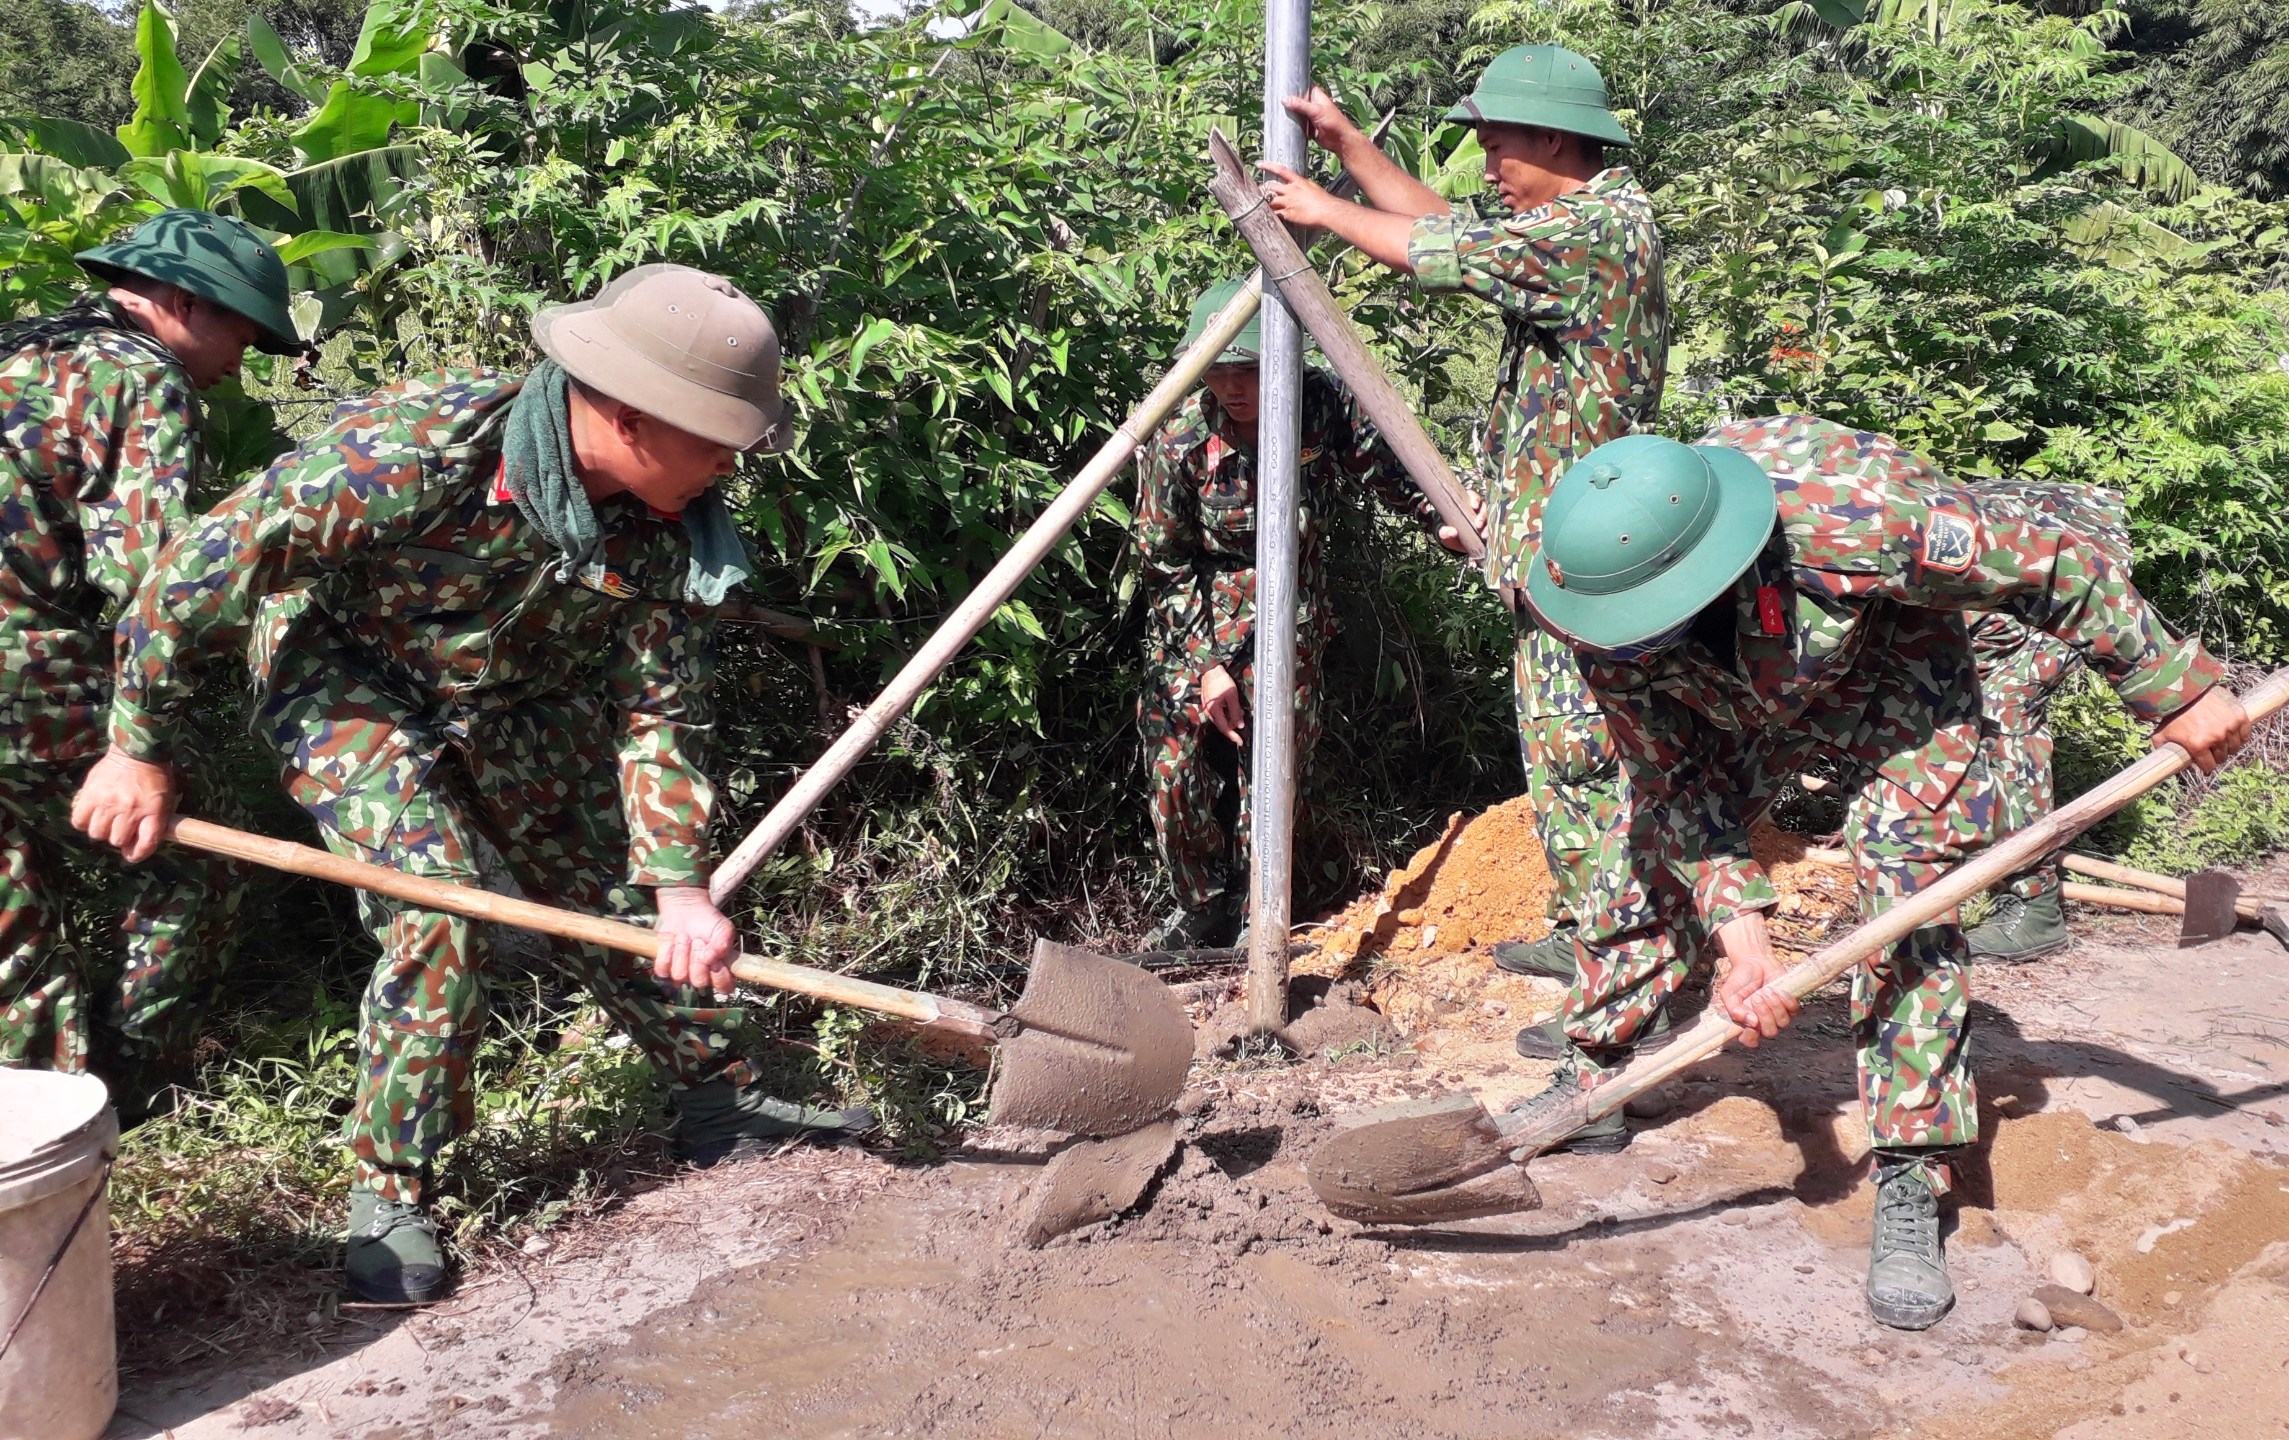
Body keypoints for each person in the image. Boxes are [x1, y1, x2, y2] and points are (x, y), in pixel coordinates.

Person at [73, 264, 872, 1306]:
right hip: (342, 677)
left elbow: (660, 710)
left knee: (621, 890)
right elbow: (197, 575)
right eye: (720, 440)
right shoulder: (419, 450)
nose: (731, 467)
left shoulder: (674, 528)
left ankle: (722, 1107)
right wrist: (135, 748)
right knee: (437, 912)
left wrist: (680, 884)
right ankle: (391, 1195)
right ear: (631, 417)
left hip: (515, 694)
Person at [1522, 416, 2247, 1328]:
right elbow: (1678, 787)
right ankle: (1597, 1079)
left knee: (1908, 903)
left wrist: (2174, 686)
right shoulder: (1598, 610)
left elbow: (2058, 570)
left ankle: (1912, 1166)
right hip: (1730, 697)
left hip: (1895, 676)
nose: (1635, 644)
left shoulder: (1861, 519)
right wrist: (1743, 943)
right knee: (1636, 850)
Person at [1255, 46, 1681, 1065]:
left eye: (1497, 143)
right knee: (1569, 759)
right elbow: (1443, 224)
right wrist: (1352, 149)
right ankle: (1594, 937)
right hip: (1556, 542)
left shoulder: (1597, 230)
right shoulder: (1570, 218)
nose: (1485, 161)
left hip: (1590, 561)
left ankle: (1618, 996)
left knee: (1583, 766)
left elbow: (1428, 255)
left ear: (1552, 140)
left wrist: (1319, 211)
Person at [0, 209, 298, 1082]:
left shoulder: (20, 350)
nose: (241, 359)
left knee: (10, 925)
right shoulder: (142, 377)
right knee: (190, 861)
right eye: (242, 328)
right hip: (26, 674)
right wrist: (147, 749)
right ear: (179, 301)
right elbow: (154, 582)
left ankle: (42, 1150)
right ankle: (129, 1082)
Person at [1134, 279, 1445, 949]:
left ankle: (1260, 914)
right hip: (1193, 626)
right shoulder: (1181, 438)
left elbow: (1388, 469)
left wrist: (1440, 518)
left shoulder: (1319, 407)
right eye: (1218, 370)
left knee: (1273, 772)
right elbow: (1163, 565)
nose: (1233, 386)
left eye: (1248, 369)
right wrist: (1205, 668)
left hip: (1287, 622)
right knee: (1174, 775)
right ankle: (1201, 908)